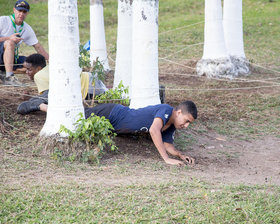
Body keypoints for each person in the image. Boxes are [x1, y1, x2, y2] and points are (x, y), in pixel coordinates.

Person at [17, 53, 108, 114]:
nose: (27, 72)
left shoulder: (38, 76)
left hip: (88, 88)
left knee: (33, 103)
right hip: (92, 79)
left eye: (29, 69)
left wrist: (32, 100)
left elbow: (49, 97)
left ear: (39, 68)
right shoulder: (50, 67)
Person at [0, 0, 49, 86]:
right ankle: (9, 77)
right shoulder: (3, 20)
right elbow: (9, 41)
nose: (21, 14)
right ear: (14, 10)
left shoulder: (26, 28)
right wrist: (8, 38)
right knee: (10, 43)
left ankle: (3, 72)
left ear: (27, 13)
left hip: (10, 57)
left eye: (24, 12)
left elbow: (38, 46)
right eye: (19, 11)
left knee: (33, 64)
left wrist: (52, 61)